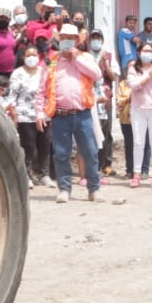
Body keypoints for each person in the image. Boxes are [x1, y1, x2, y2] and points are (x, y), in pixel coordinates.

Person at [41, 24, 101, 203]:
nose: (67, 41)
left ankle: (94, 189)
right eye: (64, 37)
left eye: (71, 38)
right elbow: (42, 87)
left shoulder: (86, 57)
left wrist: (75, 58)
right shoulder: (52, 60)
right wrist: (40, 112)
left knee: (90, 152)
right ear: (59, 40)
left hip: (82, 114)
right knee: (61, 153)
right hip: (60, 115)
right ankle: (64, 189)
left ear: (76, 40)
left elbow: (96, 74)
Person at [125, 44, 152, 188]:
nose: (148, 53)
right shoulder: (133, 68)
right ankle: (136, 173)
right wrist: (148, 74)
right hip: (138, 109)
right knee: (138, 142)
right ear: (138, 53)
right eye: (145, 51)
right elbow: (134, 85)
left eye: (150, 51)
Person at [6, 46, 50, 186]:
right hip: (24, 114)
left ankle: (44, 174)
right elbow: (12, 95)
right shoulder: (18, 73)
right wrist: (13, 112)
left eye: (34, 55)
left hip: (43, 114)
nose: (32, 58)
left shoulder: (44, 72)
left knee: (45, 144)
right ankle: (27, 175)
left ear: (39, 56)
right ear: (23, 57)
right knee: (28, 145)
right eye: (28, 55)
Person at [89, 30, 118, 176]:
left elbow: (113, 77)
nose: (95, 40)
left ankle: (106, 163)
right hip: (90, 98)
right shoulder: (86, 56)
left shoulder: (108, 56)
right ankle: (95, 164)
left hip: (106, 99)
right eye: (93, 38)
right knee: (93, 131)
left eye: (98, 38)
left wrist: (105, 64)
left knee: (106, 131)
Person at [0, 10, 19, 91]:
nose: (4, 20)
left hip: (9, 71)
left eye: (7, 18)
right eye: (1, 17)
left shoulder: (10, 31)